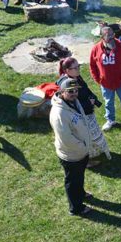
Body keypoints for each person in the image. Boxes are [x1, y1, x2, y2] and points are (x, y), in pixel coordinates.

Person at [49, 77, 93, 216]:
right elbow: (67, 139)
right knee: (72, 181)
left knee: (78, 177)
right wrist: (83, 146)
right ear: (62, 92)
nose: (74, 93)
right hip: (72, 155)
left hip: (80, 151)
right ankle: (76, 208)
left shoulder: (73, 102)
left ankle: (81, 193)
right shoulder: (59, 114)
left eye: (76, 90)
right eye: (70, 91)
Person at [57, 57, 110, 167]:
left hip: (87, 113)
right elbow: (73, 101)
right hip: (80, 116)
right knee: (84, 138)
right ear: (67, 70)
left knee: (91, 136)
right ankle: (86, 161)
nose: (78, 69)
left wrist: (94, 99)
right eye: (75, 67)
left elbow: (85, 89)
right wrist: (88, 104)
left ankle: (93, 154)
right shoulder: (68, 83)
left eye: (78, 66)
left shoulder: (76, 77)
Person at [89, 25, 121, 135]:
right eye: (107, 36)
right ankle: (110, 120)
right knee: (108, 103)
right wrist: (98, 79)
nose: (111, 38)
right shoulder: (96, 49)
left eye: (112, 35)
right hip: (105, 83)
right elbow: (92, 66)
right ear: (102, 37)